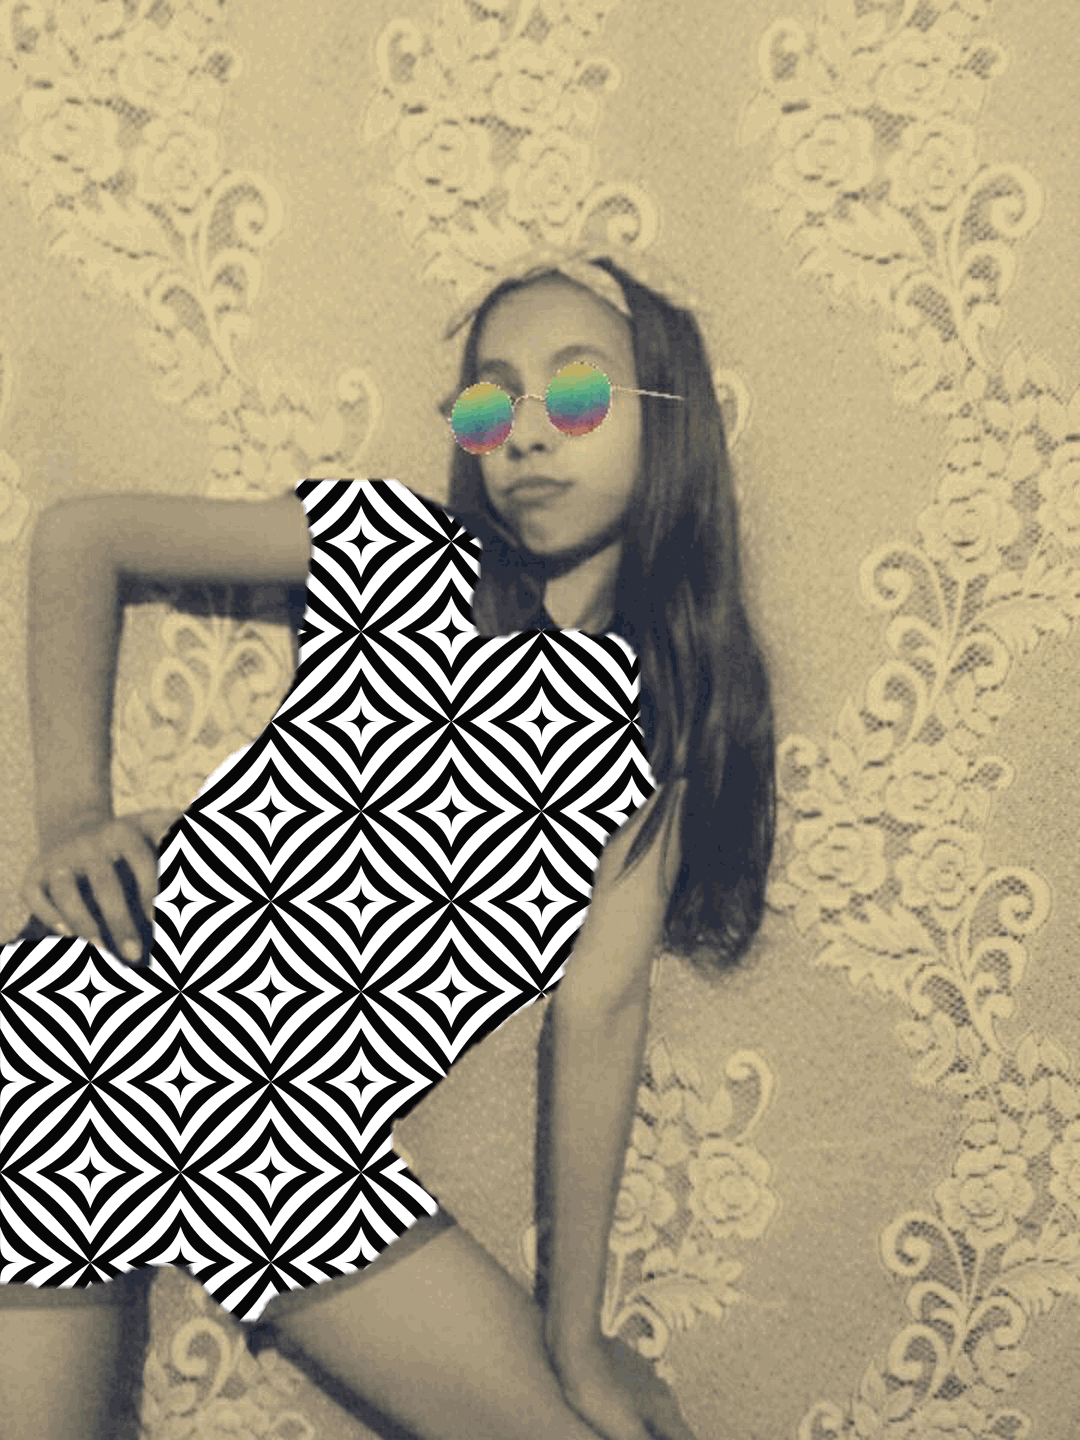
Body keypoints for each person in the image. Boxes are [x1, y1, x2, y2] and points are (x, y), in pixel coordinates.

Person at [5, 256, 775, 1440]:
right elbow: (80, 537)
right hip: (83, 1035)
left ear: (669, 413)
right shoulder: (398, 552)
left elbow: (600, 1011)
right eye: (490, 405)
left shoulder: (657, 727)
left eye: (577, 394)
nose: (526, 435)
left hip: (290, 1132)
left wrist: (574, 1337)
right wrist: (71, 816)